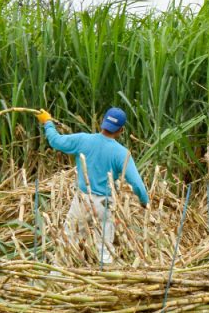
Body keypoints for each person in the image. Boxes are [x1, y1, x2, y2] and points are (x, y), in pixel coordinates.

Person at [35, 106, 149, 265]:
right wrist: (144, 201)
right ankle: (107, 281)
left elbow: (55, 141)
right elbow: (137, 185)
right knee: (105, 248)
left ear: (103, 123)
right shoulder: (122, 153)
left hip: (82, 201)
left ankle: (56, 275)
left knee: (67, 240)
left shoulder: (83, 140)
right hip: (105, 204)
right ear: (121, 130)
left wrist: (47, 122)